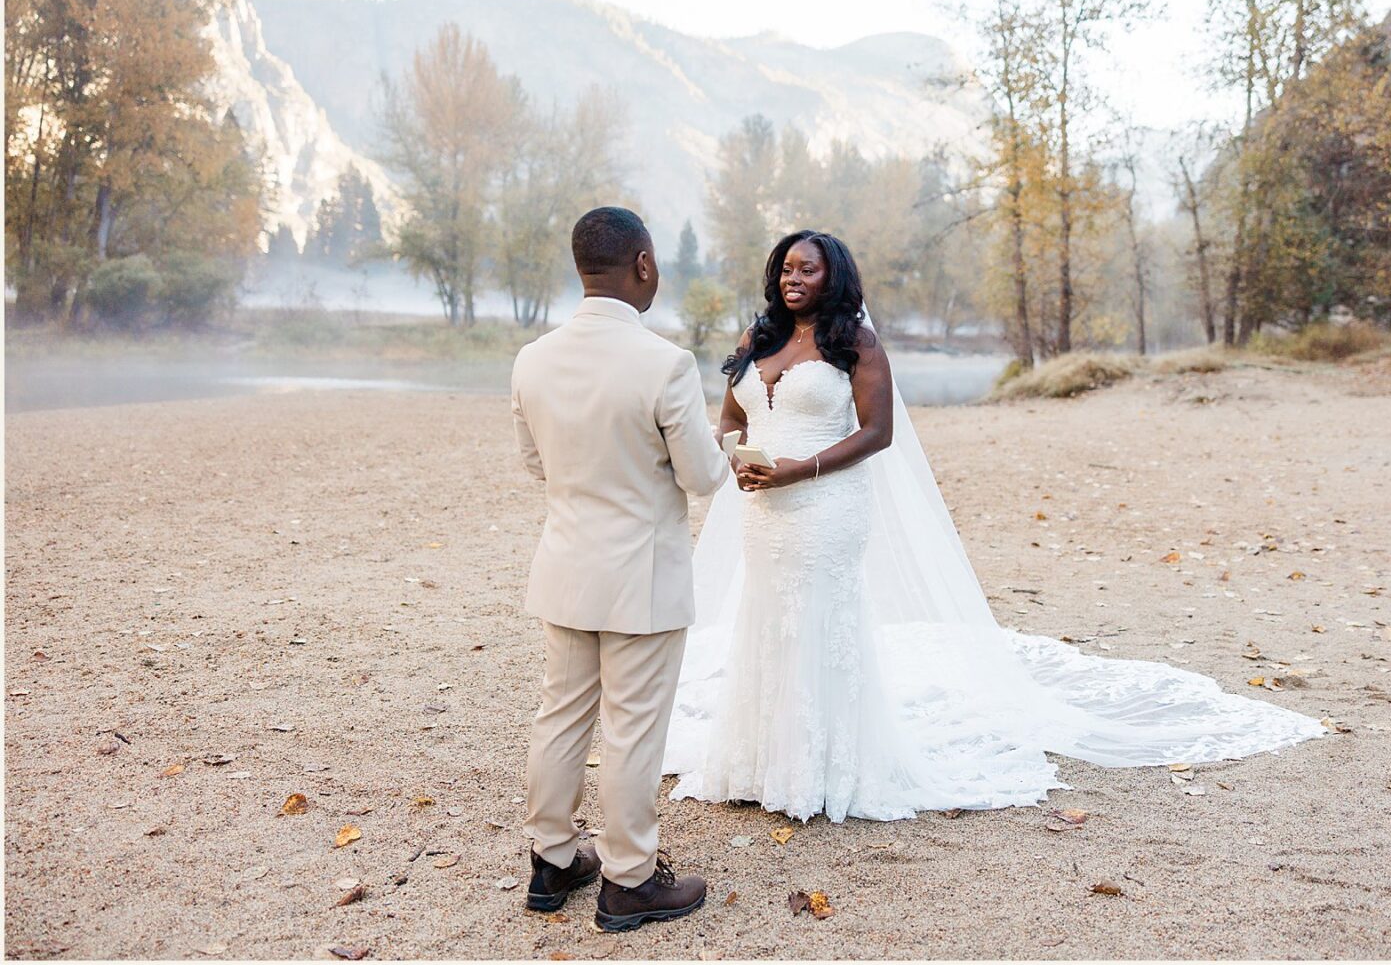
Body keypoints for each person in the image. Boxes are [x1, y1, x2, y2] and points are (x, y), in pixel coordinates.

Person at [662, 229, 1326, 823]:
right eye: (785, 268)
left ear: (835, 278)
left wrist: (799, 468)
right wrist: (734, 456)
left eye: (807, 269)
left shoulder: (854, 345)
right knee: (767, 618)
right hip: (764, 507)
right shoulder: (759, 340)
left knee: (818, 623)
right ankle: (756, 762)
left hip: (825, 505)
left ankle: (820, 769)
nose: (792, 278)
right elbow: (730, 418)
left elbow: (878, 432)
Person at [511, 206, 728, 931]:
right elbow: (702, 476)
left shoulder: (532, 359)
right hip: (642, 578)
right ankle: (628, 879)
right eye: (655, 262)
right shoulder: (663, 363)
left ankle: (551, 859)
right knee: (633, 730)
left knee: (562, 715)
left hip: (566, 568)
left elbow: (536, 463)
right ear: (642, 266)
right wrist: (731, 445)